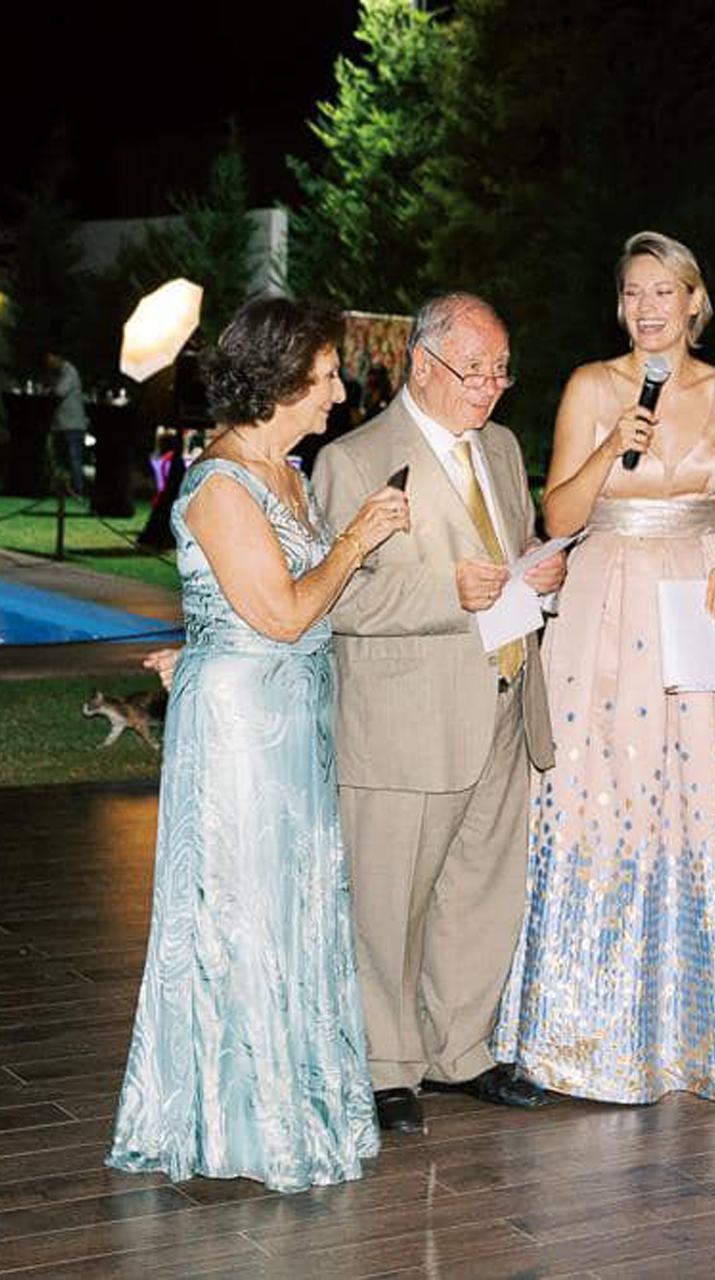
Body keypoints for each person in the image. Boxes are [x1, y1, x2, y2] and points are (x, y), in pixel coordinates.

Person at [493, 231, 715, 1105]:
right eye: (633, 292)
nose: (648, 307)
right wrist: (608, 446)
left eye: (664, 291)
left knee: (705, 795)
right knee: (606, 791)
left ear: (694, 301)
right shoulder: (593, 387)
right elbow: (555, 510)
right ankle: (578, 1032)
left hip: (697, 599)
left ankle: (707, 1031)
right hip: (606, 597)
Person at [107, 297, 409, 1192]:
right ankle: (244, 1122)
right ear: (278, 382)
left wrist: (202, 643)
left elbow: (284, 604)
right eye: (324, 378)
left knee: (298, 905)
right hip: (242, 735)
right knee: (243, 912)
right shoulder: (220, 483)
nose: (339, 393)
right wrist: (357, 538)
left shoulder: (290, 472)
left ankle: (298, 1103)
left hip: (292, 716)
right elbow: (279, 613)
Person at [311, 292, 567, 1135]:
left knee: (481, 888)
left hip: (501, 698)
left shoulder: (499, 448)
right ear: (422, 363)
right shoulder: (353, 460)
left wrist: (537, 574)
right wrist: (445, 594)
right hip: (404, 719)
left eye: (501, 372)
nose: (491, 388)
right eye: (474, 371)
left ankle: (460, 1051)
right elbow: (334, 603)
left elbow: (507, 556)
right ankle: (387, 1066)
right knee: (389, 900)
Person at [46, 352, 88, 497]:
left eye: (50, 359)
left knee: (74, 458)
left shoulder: (70, 372)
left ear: (59, 357)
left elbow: (59, 392)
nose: (49, 363)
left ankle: (78, 489)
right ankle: (63, 488)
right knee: (62, 458)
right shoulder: (62, 373)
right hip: (63, 423)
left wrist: (50, 387)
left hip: (73, 423)